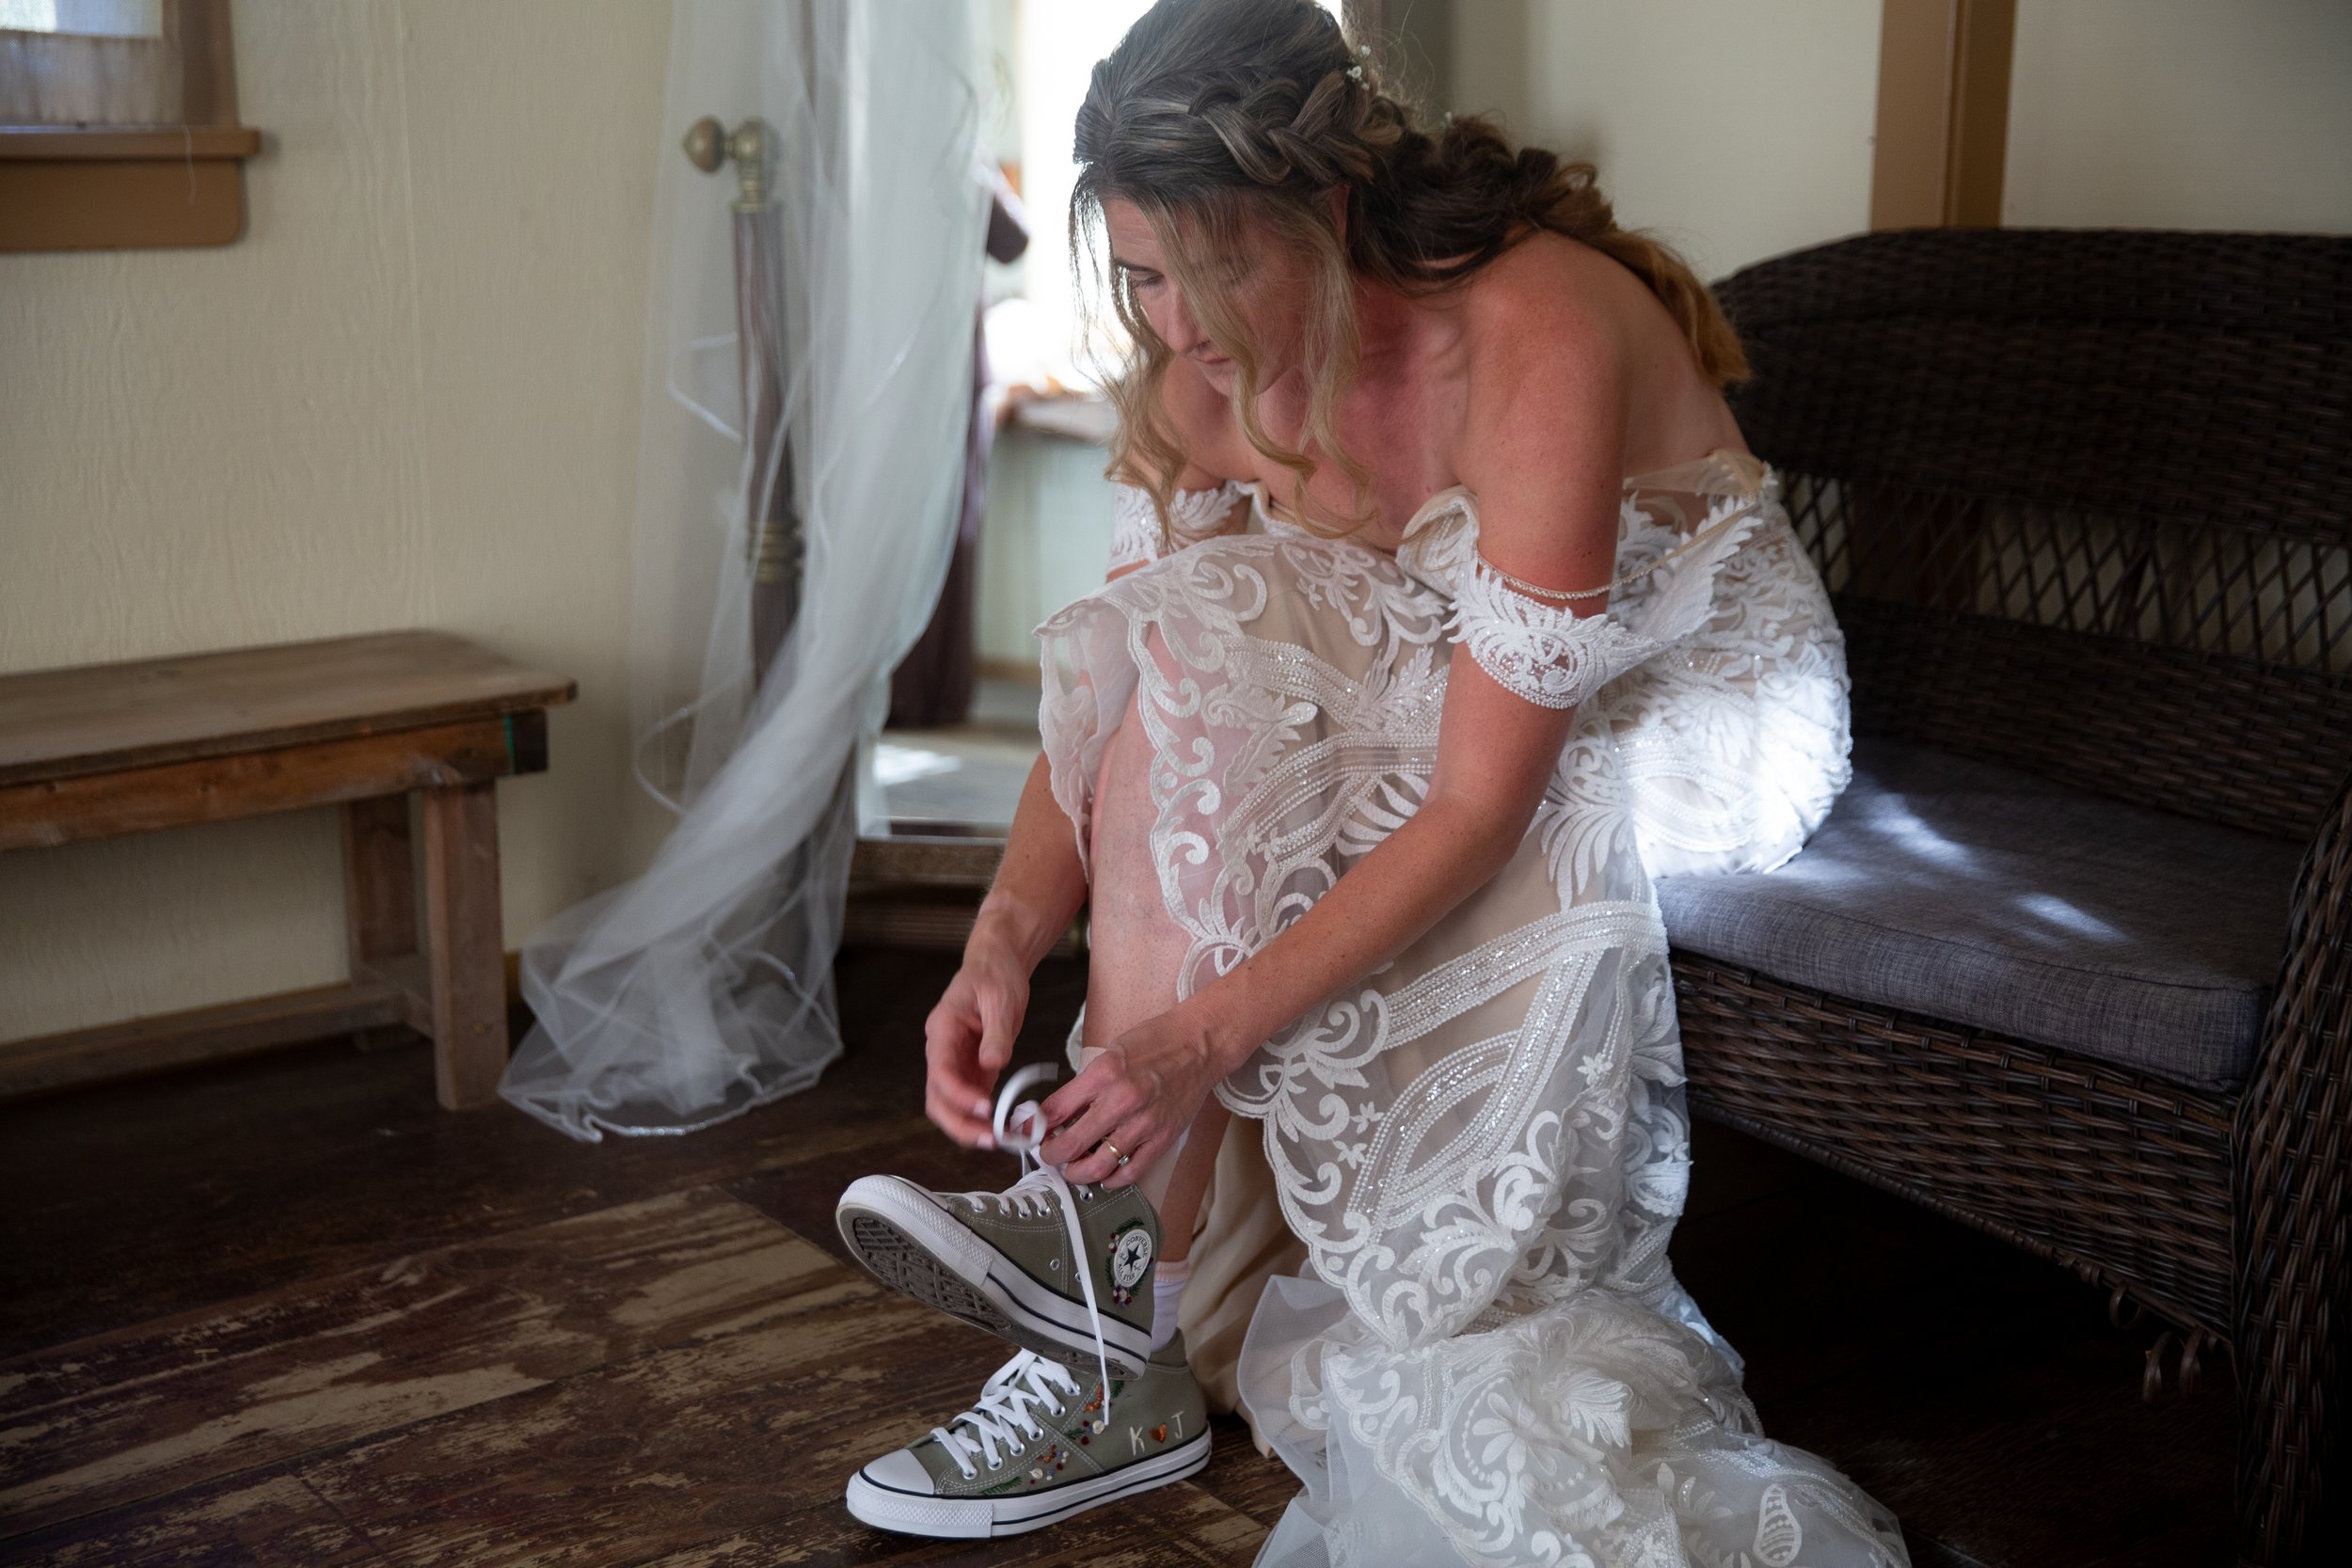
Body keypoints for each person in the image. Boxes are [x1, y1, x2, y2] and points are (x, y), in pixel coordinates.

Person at [833, 2, 1907, 1562]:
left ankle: (1119, 1272)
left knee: (1306, 704)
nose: (1178, 327)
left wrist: (1195, 1043)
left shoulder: (1529, 331)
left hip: (1688, 709)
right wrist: (1001, 935)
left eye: (1212, 271)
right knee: (1202, 636)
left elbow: (1483, 805)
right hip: (1463, 687)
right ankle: (1118, 1275)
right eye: (1138, 273)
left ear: (1326, 209)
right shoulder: (1204, 372)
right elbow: (1136, 674)